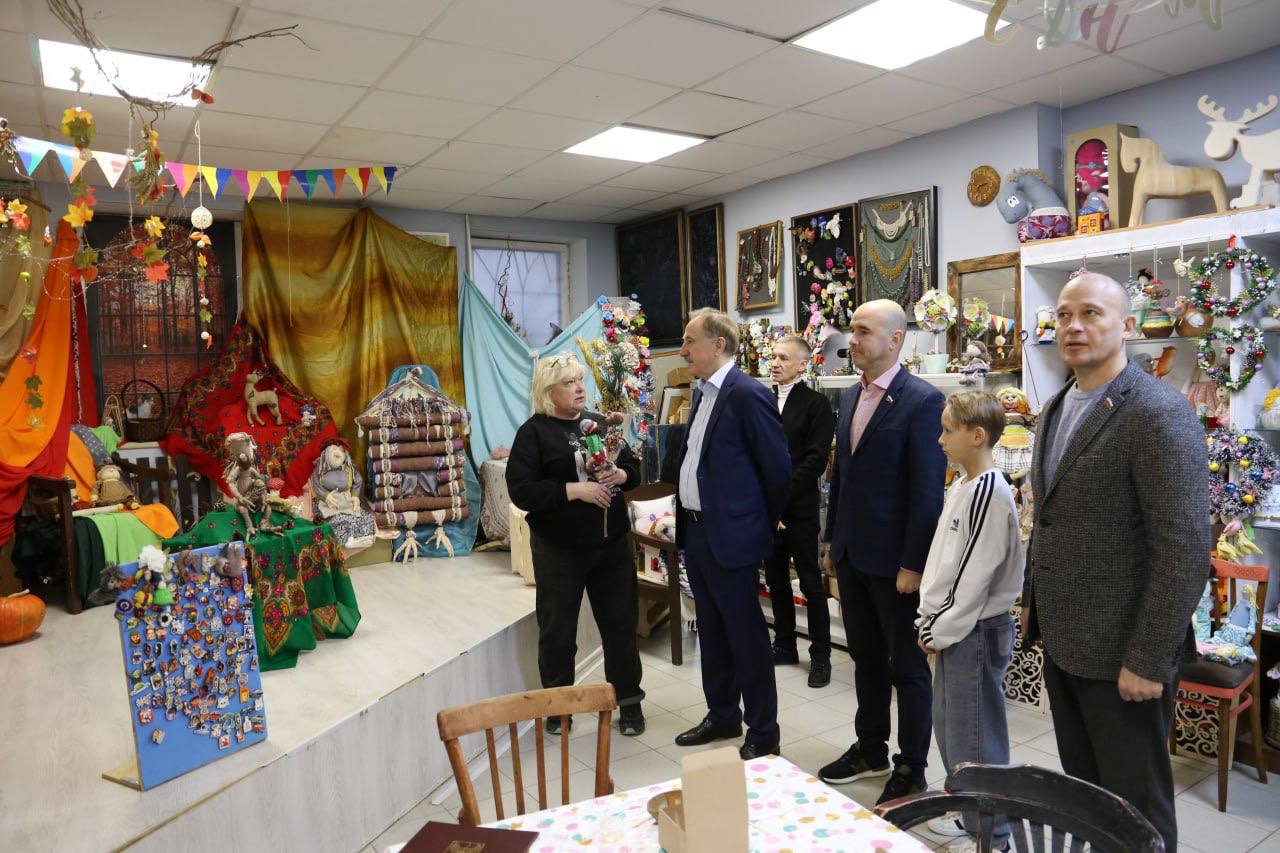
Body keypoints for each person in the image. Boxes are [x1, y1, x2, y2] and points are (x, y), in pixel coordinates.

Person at [1021, 273, 1208, 851]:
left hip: (1125, 654)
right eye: (1064, 314)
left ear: (1126, 326)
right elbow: (1050, 518)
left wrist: (1148, 659)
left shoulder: (1156, 411)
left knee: (1136, 809)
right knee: (1086, 796)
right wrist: (1033, 606)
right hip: (1066, 640)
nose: (1073, 327)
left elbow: (1183, 547)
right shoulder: (1057, 405)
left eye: (1091, 314)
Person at [817, 299, 946, 804]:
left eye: (863, 331)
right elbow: (842, 479)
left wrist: (913, 563)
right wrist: (832, 541)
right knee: (865, 659)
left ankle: (911, 766)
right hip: (853, 555)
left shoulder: (923, 401)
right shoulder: (850, 396)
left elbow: (927, 493)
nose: (852, 340)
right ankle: (870, 747)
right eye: (852, 330)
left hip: (896, 564)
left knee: (907, 669)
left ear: (895, 340)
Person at [506, 353, 646, 736]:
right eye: (569, 382)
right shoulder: (533, 433)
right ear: (548, 391)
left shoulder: (599, 424)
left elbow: (634, 469)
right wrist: (573, 490)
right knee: (558, 633)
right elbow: (521, 491)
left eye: (581, 380)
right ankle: (559, 710)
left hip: (611, 546)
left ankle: (629, 704)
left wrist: (621, 475)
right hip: (559, 549)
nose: (580, 388)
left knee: (620, 627)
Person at [672, 308, 791, 760]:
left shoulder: (747, 393)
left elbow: (777, 468)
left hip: (732, 537)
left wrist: (759, 523)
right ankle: (722, 714)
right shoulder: (703, 393)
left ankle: (763, 730)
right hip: (697, 532)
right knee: (713, 631)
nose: (683, 350)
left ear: (718, 344)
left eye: (690, 341)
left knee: (746, 636)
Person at [917, 392, 1024, 853]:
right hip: (957, 627)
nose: (940, 439)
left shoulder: (987, 491)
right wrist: (932, 619)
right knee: (951, 729)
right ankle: (969, 815)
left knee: (975, 737)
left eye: (947, 430)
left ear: (977, 435)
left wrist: (935, 628)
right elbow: (947, 562)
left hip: (974, 630)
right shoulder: (965, 484)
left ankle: (993, 838)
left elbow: (972, 575)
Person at [763, 335, 836, 687]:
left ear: (802, 365)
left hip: (799, 508)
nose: (775, 363)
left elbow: (816, 460)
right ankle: (784, 645)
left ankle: (821, 656)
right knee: (775, 579)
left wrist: (779, 498)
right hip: (766, 509)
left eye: (783, 358)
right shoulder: (761, 399)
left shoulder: (816, 404)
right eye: (773, 357)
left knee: (809, 582)